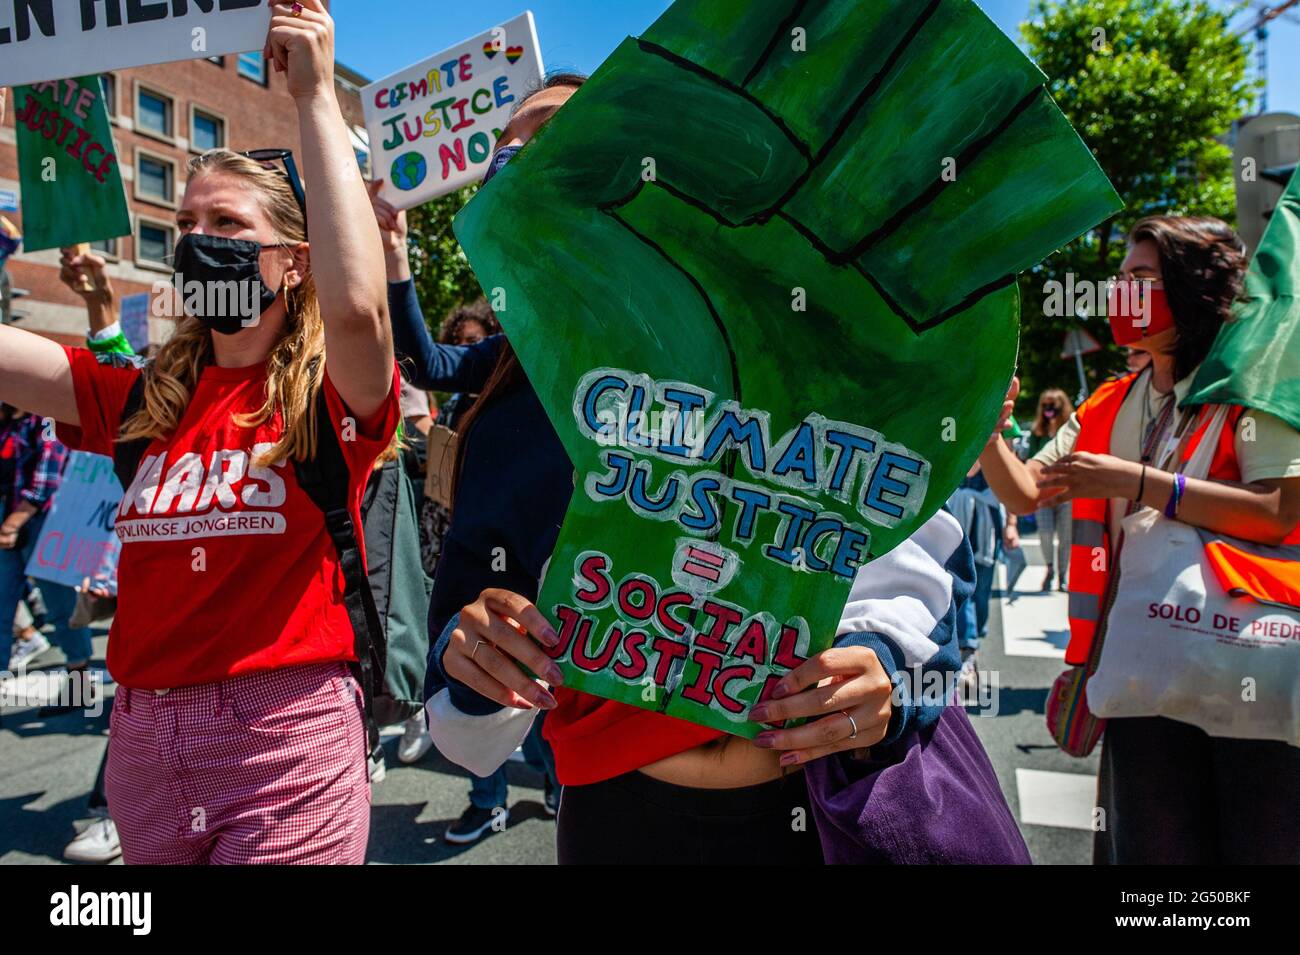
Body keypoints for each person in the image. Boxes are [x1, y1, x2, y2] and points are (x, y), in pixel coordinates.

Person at [390, 74, 1000, 863]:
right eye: (507, 148)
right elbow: (462, 684)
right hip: (618, 824)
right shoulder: (510, 405)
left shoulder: (790, 343)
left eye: (562, 134)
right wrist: (471, 662)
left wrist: (883, 668)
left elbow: (919, 572)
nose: (527, 158)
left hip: (816, 809)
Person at [0, 1, 399, 864]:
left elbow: (360, 311)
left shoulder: (328, 395)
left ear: (293, 261)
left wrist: (316, 99)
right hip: (143, 740)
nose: (196, 241)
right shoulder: (144, 399)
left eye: (227, 225)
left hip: (283, 738)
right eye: (185, 224)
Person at [978, 216, 1300, 864]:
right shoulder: (1109, 403)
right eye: (1120, 278)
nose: (1118, 292)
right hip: (1142, 672)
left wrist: (1142, 481)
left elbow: (1277, 511)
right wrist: (986, 427)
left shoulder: (1252, 394)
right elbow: (1026, 492)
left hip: (1254, 675)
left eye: (1141, 278)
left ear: (1193, 289)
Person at [1023, 388, 1074, 591]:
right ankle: (1049, 569)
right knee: (1045, 532)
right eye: (1045, 405)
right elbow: (1031, 458)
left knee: (1065, 536)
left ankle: (1062, 575)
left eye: (1053, 405)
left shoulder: (1070, 431)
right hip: (1043, 490)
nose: (1048, 409)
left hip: (1066, 491)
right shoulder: (1038, 432)